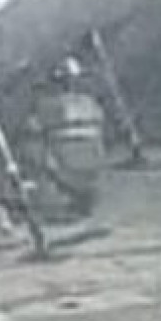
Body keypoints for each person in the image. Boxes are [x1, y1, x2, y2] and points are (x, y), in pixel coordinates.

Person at [28, 57, 106, 218]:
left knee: (32, 149)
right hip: (90, 159)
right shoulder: (89, 102)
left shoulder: (48, 105)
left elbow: (32, 129)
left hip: (67, 161)